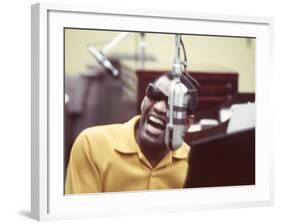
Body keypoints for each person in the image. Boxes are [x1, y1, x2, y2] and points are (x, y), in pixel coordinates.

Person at [65, 72, 198, 194]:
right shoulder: (91, 145)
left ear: (186, 123)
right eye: (154, 94)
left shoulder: (193, 165)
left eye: (172, 104)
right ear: (143, 101)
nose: (159, 107)